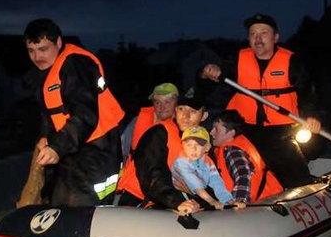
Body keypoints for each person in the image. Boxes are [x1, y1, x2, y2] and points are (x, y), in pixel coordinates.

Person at [198, 13, 322, 188]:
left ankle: (301, 190)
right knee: (236, 160)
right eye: (253, 34)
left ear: (275, 37)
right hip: (244, 127)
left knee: (290, 162)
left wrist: (311, 116)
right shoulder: (238, 59)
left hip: (281, 129)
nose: (258, 38)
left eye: (264, 33)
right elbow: (213, 76)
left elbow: (307, 91)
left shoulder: (291, 60)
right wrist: (208, 72)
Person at [24, 18, 125, 207]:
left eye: (43, 49)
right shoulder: (49, 70)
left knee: (84, 212)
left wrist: (57, 147)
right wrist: (46, 137)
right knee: (61, 207)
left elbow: (85, 116)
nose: (37, 57)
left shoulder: (76, 65)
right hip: (73, 149)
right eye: (31, 51)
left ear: (59, 43)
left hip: (97, 151)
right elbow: (52, 112)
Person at [115, 95, 207, 214]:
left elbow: (212, 183)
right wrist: (176, 202)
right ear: (175, 111)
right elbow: (153, 173)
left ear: (204, 116)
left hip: (178, 204)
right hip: (141, 202)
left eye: (193, 111)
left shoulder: (205, 143)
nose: (185, 116)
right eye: (181, 109)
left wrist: (195, 193)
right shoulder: (158, 133)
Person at [210, 109, 284, 203]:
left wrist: (239, 203)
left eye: (216, 129)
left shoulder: (232, 150)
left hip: (263, 203)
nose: (211, 132)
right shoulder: (241, 145)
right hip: (272, 198)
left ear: (231, 133)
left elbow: (243, 175)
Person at [171, 126, 245, 211]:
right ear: (183, 146)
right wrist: (213, 202)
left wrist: (231, 202)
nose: (193, 149)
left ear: (207, 147)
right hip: (179, 199)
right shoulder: (182, 161)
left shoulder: (208, 161)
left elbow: (217, 183)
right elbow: (196, 185)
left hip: (196, 197)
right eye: (189, 145)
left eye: (198, 145)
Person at [120, 82, 179, 160]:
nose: (162, 107)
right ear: (153, 104)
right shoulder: (137, 121)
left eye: (167, 102)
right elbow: (122, 150)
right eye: (158, 103)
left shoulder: (182, 124)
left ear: (176, 103)